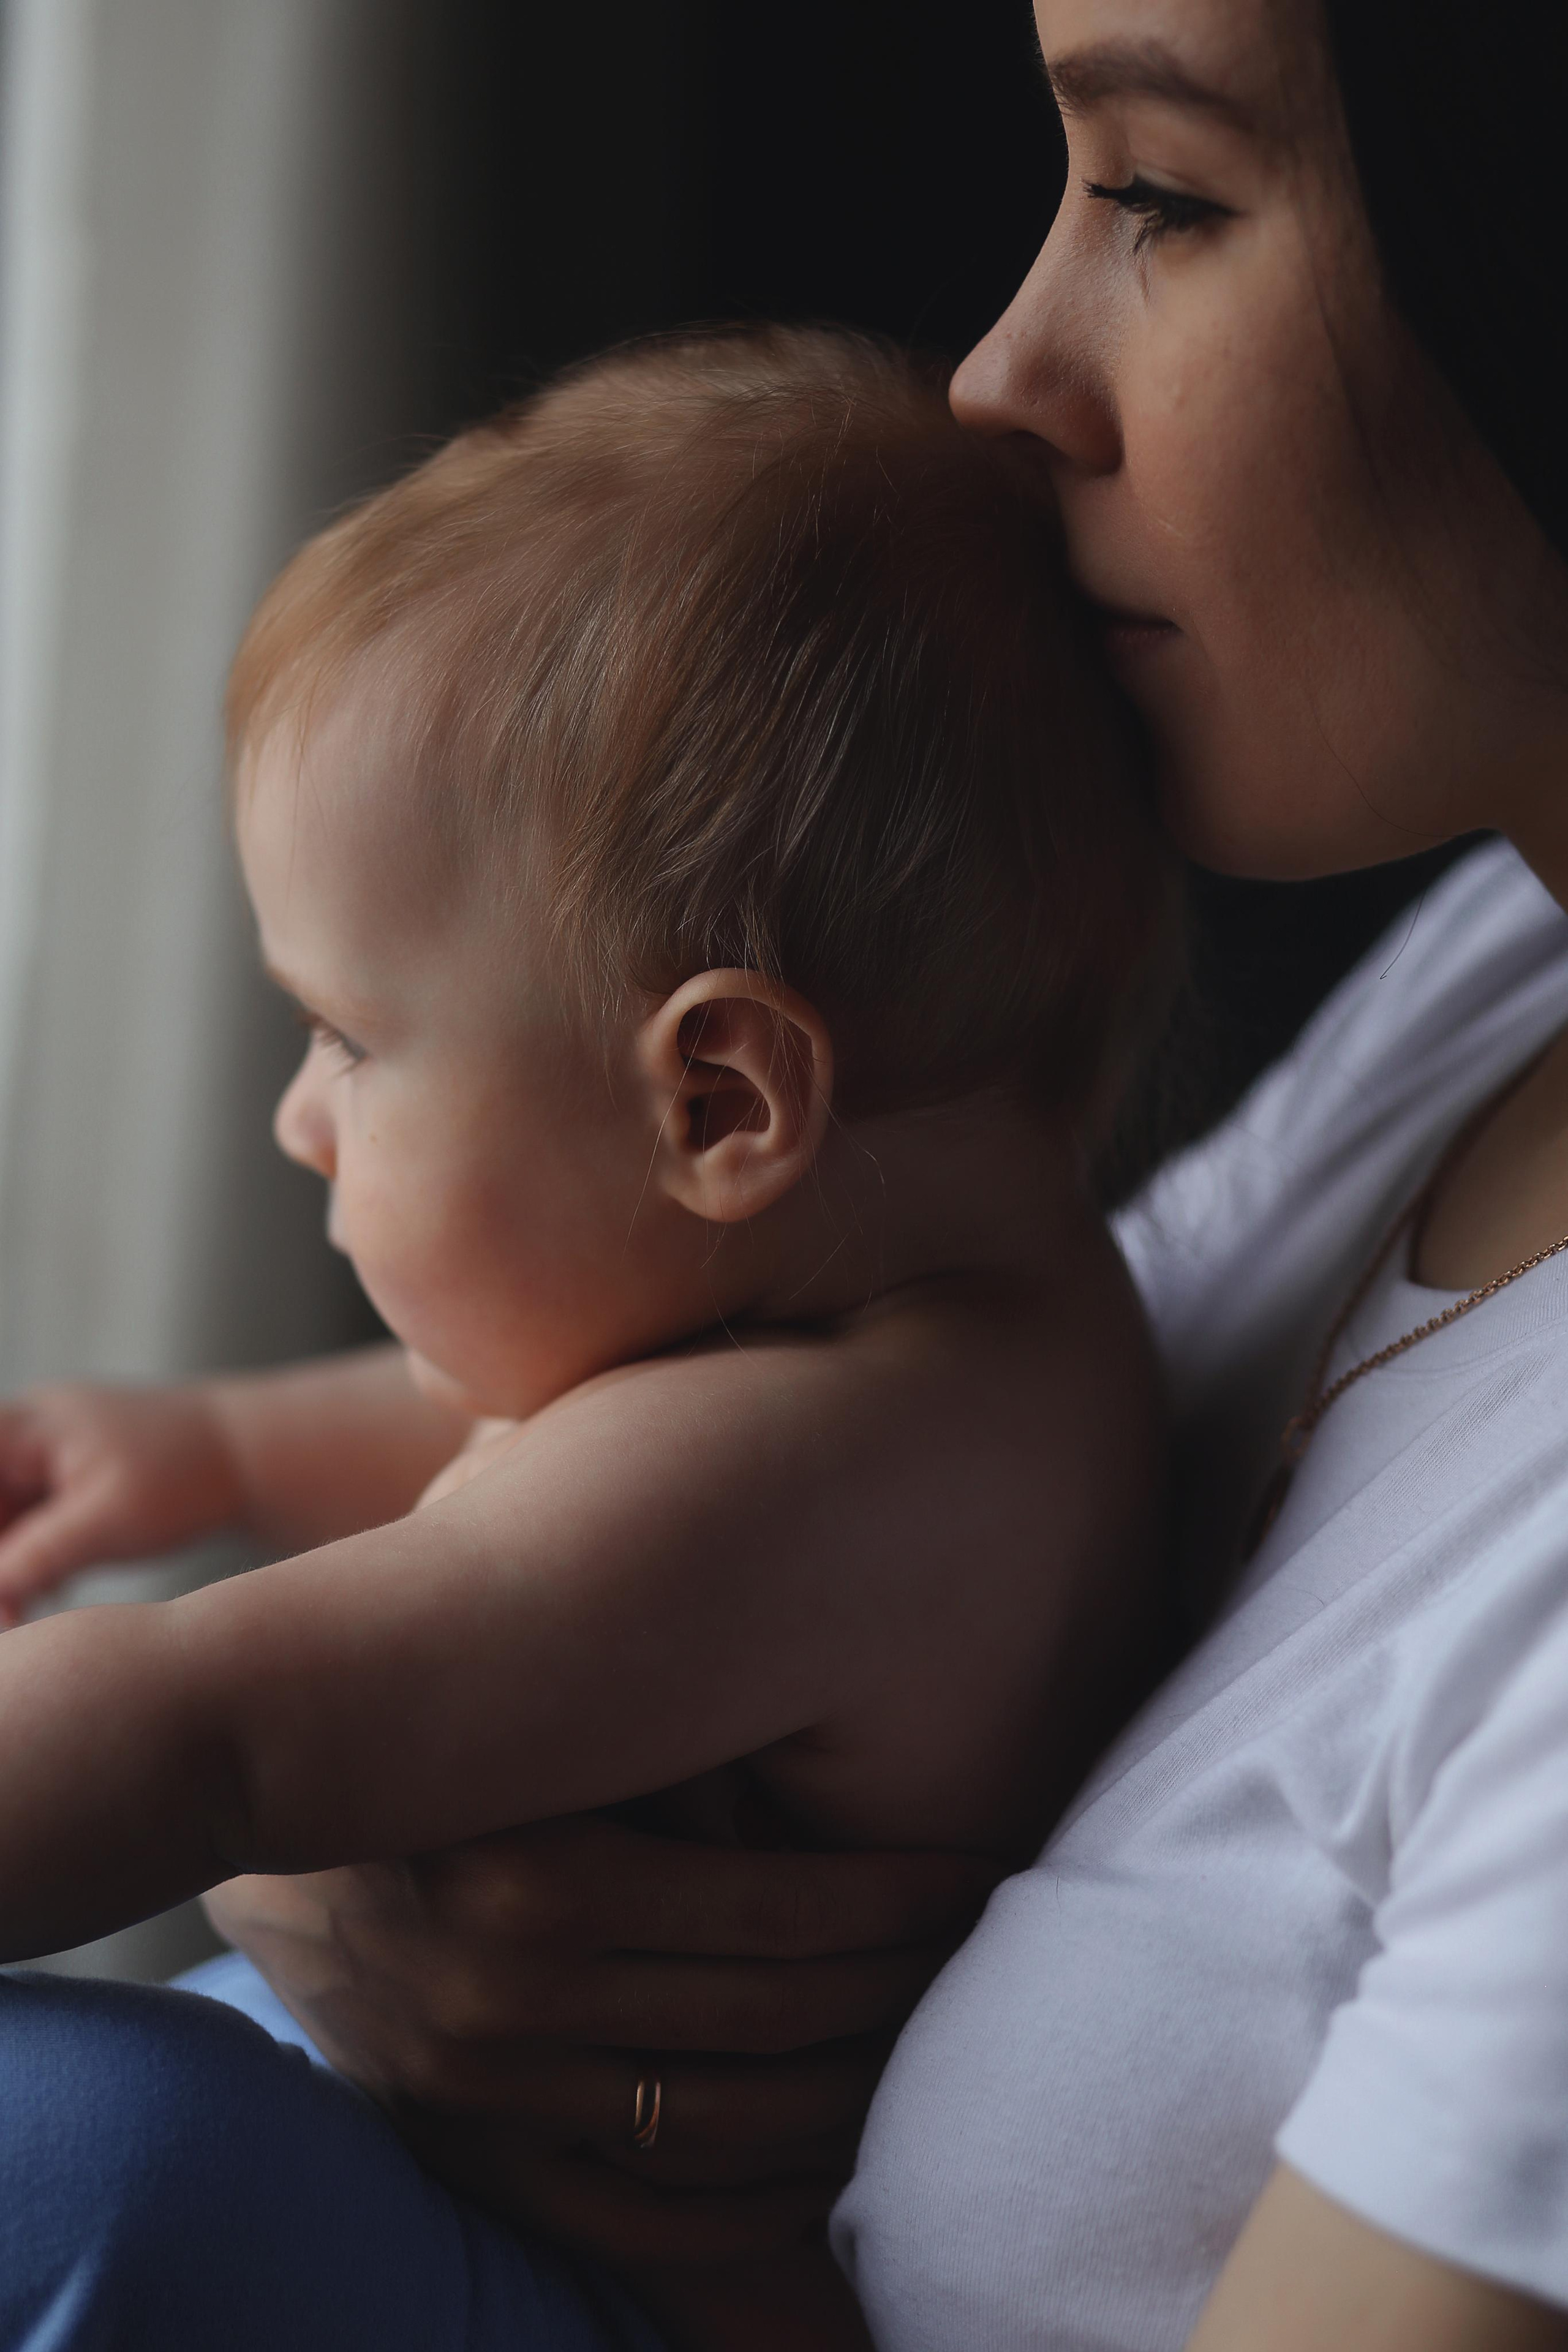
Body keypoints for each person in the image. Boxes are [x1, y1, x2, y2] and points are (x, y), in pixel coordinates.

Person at [182, 0, 1568, 2347]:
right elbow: (744, 1439)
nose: (1003, 373)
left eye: (1163, 195)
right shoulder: (1497, 976)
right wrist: (337, 1843)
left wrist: (258, 1774)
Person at [0, 326, 1173, 2350]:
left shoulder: (827, 1466)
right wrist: (221, 1449)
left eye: (353, 1038)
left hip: (573, 2309)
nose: (299, 1115)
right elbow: (549, 1443)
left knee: (85, 2152)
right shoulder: (978, 1330)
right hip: (487, 2208)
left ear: (717, 1102)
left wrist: (195, 1635)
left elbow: (206, 1731)